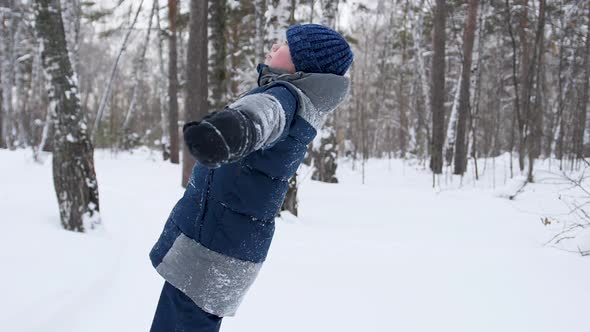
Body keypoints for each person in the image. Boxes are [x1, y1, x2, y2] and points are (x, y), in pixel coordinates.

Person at [149, 23, 353, 332]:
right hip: (226, 247)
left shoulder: (285, 97)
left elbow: (263, 116)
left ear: (304, 63)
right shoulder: (299, 102)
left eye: (284, 45)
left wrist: (230, 131)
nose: (273, 46)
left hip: (210, 249)